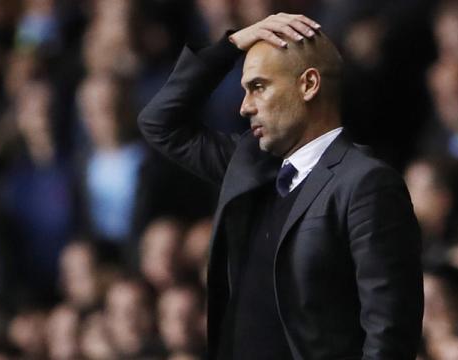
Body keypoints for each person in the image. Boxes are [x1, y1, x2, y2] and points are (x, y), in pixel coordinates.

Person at [138, 13, 423, 359]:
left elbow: (389, 333)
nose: (244, 107)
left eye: (258, 86)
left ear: (308, 84)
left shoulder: (365, 183)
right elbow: (159, 123)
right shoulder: (247, 164)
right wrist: (230, 45)